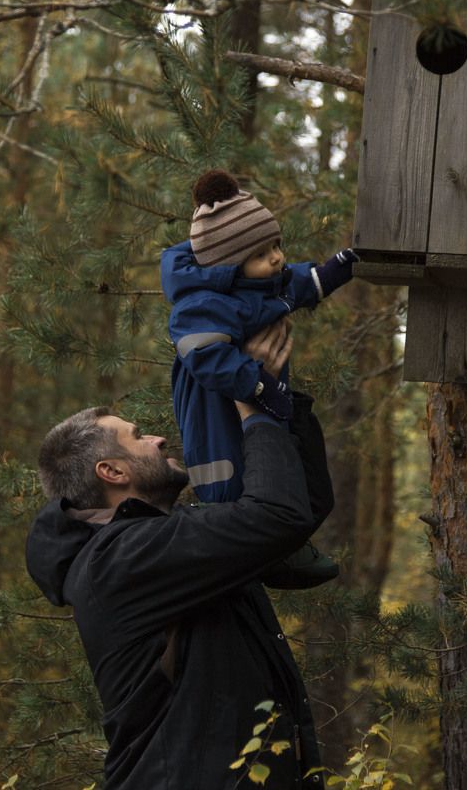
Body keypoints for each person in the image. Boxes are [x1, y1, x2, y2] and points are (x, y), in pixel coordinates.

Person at [26, 321, 331, 790]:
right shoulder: (121, 558)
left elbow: (301, 508)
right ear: (111, 471)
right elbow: (276, 515)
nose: (159, 439)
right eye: (138, 436)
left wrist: (279, 399)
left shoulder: (152, 541)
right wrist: (253, 404)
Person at [161, 170, 356, 586]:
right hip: (216, 410)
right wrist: (259, 384)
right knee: (234, 480)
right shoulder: (202, 305)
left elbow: (296, 285)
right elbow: (206, 358)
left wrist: (334, 271)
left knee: (292, 474)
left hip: (260, 396)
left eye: (277, 245)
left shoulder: (260, 284)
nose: (276, 258)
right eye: (261, 253)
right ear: (229, 265)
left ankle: (282, 543)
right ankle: (264, 551)